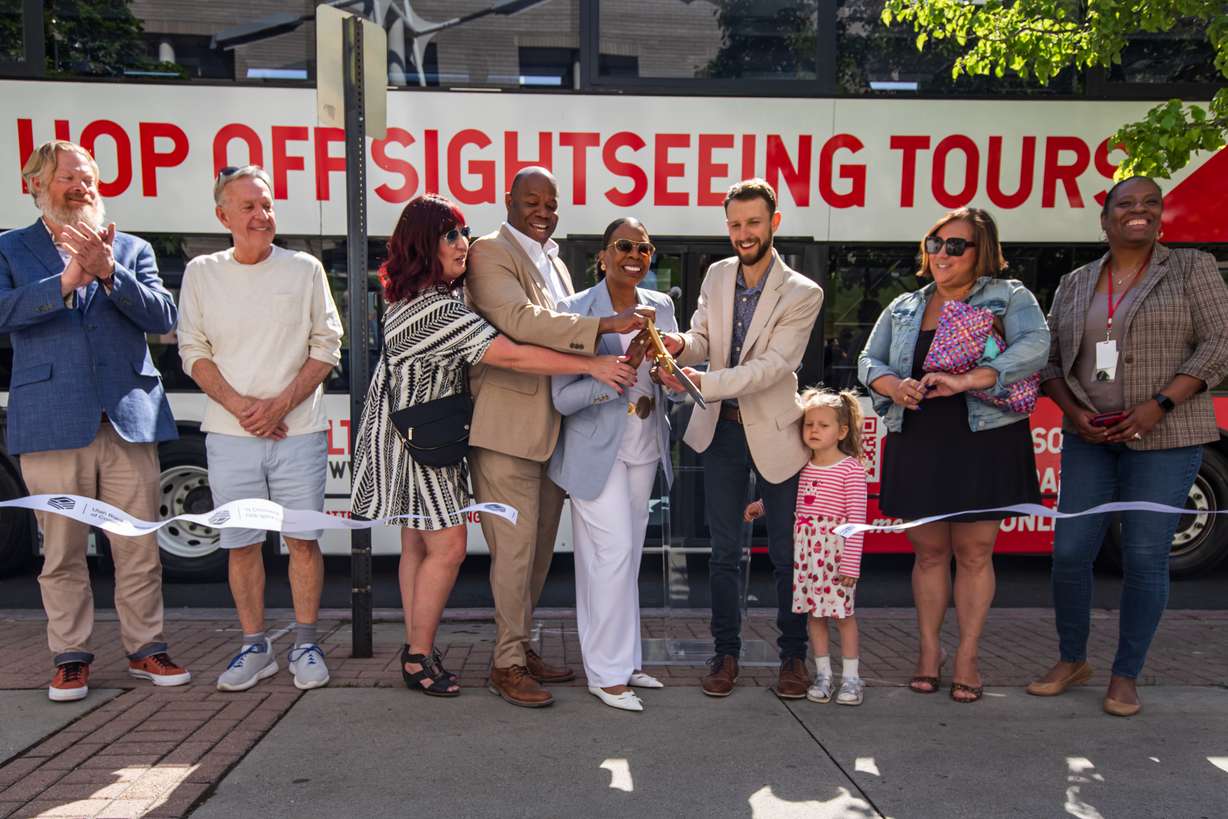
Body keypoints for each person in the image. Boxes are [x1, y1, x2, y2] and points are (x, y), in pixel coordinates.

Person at [352, 195, 636, 698]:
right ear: (423, 246)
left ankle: (421, 648)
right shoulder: (436, 309)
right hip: (419, 443)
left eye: (462, 233)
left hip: (413, 432)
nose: (465, 245)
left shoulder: (421, 299)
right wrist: (593, 362)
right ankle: (420, 656)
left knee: (418, 545)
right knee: (448, 546)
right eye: (451, 237)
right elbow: (514, 354)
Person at [1026, 176, 1228, 717]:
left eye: (1149, 204)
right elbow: (1048, 361)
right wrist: (1075, 414)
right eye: (1126, 204)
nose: (1138, 211)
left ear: (1161, 216)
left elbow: (1220, 344)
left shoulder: (1192, 268)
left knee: (1143, 557)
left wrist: (1158, 406)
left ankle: (1125, 674)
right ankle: (1073, 658)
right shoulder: (1075, 282)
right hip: (1089, 437)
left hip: (1168, 435)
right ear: (1105, 218)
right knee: (1069, 554)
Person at [0, 140, 188, 702]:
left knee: (138, 547)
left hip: (129, 417)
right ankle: (71, 656)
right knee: (60, 550)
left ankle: (146, 647)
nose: (82, 187)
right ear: (36, 186)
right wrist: (66, 282)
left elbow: (164, 316)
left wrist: (110, 275)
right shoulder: (11, 248)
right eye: (67, 178)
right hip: (54, 421)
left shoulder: (129, 248)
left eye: (88, 177)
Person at [465, 167, 650, 708]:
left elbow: (565, 348)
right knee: (515, 554)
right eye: (531, 201)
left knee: (540, 552)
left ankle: (520, 645)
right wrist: (604, 332)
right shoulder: (489, 252)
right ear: (508, 201)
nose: (543, 211)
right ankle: (506, 662)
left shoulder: (557, 265)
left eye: (551, 202)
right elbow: (519, 320)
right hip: (508, 432)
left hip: (555, 431)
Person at [857, 207, 1049, 703]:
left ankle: (966, 654)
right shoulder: (904, 306)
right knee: (929, 553)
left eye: (955, 245)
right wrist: (892, 386)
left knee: (975, 552)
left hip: (983, 438)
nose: (941, 253)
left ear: (980, 251)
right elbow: (867, 359)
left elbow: (1036, 347)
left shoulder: (1010, 297)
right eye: (935, 243)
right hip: (918, 435)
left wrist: (967, 379)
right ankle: (928, 651)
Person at [656, 178, 824, 700]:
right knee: (724, 553)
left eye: (753, 223)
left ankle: (792, 656)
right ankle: (724, 653)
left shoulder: (803, 291)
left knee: (786, 554)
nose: (743, 233)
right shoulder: (716, 274)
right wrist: (679, 345)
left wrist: (702, 381)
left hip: (776, 434)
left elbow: (773, 368)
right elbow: (705, 338)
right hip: (722, 434)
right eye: (735, 224)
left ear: (774, 223)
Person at [178, 165, 343, 693]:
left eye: (266, 205)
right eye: (248, 207)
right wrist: (244, 407)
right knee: (242, 545)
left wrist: (279, 406)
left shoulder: (305, 269)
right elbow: (192, 350)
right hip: (230, 436)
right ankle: (255, 646)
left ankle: (307, 643)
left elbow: (326, 346)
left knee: (302, 541)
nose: (261, 215)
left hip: (298, 432)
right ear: (222, 215)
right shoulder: (202, 272)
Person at [547, 217, 677, 712]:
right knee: (611, 552)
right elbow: (562, 397)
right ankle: (605, 673)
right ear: (603, 255)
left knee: (625, 558)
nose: (635, 255)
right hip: (593, 450)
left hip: (645, 446)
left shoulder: (661, 306)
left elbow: (667, 373)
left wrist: (670, 374)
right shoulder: (574, 309)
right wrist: (616, 375)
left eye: (645, 248)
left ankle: (625, 661)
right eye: (624, 246)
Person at [748, 388, 869, 706]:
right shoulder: (801, 466)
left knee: (843, 617)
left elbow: (857, 520)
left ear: (842, 431)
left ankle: (852, 679)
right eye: (809, 424)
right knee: (814, 616)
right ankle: (824, 675)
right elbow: (787, 499)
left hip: (835, 556)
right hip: (807, 557)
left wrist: (851, 564)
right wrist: (761, 506)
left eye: (823, 425)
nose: (814, 430)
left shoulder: (850, 470)